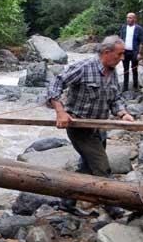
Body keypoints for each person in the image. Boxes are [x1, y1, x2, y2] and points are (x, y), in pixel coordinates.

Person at [46, 36, 134, 178]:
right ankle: (105, 198)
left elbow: (115, 98)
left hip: (99, 128)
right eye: (119, 54)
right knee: (102, 168)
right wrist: (60, 111)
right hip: (80, 127)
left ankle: (73, 197)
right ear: (106, 52)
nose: (123, 58)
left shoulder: (112, 72)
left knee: (88, 166)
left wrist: (123, 114)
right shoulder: (84, 67)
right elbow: (55, 84)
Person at [118, 12, 143, 92]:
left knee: (134, 69)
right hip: (125, 52)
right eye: (127, 17)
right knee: (125, 70)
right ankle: (125, 88)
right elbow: (121, 40)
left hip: (134, 52)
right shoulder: (123, 28)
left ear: (134, 19)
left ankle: (135, 86)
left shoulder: (139, 28)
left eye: (130, 18)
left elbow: (141, 42)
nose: (128, 19)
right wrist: (120, 52)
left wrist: (139, 53)